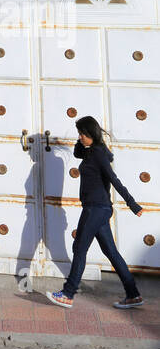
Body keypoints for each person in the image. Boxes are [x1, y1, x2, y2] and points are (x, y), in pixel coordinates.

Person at [47, 116, 143, 309]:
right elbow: (76, 153)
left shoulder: (98, 154)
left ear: (92, 134)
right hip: (98, 209)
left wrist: (132, 204)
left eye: (83, 134)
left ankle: (67, 293)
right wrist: (80, 138)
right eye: (79, 134)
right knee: (111, 252)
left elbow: (113, 179)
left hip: (95, 209)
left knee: (79, 249)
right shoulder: (91, 152)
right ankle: (133, 295)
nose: (80, 137)